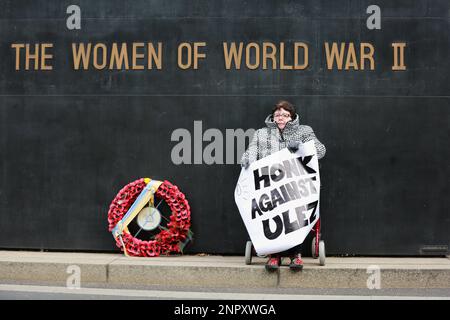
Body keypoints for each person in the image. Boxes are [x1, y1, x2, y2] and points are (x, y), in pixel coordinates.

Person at [240, 100, 326, 271]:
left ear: (292, 117)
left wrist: (302, 146)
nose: (281, 118)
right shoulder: (261, 133)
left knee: (294, 217)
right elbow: (252, 151)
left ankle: (296, 255)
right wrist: (247, 159)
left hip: (296, 183)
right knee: (273, 217)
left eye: (285, 115)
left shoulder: (304, 131)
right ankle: (274, 256)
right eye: (278, 115)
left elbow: (321, 150)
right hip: (270, 185)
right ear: (273, 116)